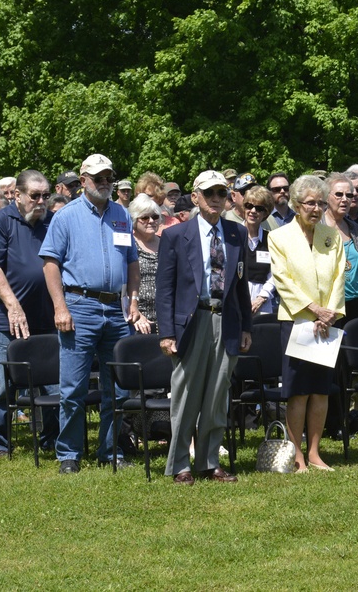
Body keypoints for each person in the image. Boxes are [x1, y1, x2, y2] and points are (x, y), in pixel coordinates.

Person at [40, 153, 142, 474]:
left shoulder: (122, 215)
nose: (105, 183)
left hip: (115, 308)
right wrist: (60, 307)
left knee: (118, 387)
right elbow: (50, 263)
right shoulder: (66, 216)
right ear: (82, 181)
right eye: (98, 178)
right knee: (73, 388)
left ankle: (110, 450)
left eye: (109, 177)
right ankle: (68, 453)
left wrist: (134, 302)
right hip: (78, 307)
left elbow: (132, 263)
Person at [156, 170, 252, 485]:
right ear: (195, 197)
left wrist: (246, 327)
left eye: (221, 193)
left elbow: (241, 286)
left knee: (217, 395)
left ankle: (210, 462)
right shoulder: (175, 235)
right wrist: (167, 333)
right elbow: (165, 289)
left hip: (227, 320)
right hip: (191, 321)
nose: (215, 199)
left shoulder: (237, 233)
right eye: (209, 193)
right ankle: (180, 463)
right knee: (185, 395)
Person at [269, 174, 345, 472]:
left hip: (327, 323)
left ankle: (315, 452)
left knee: (321, 390)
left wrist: (329, 312)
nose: (316, 208)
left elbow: (339, 275)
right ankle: (296, 455)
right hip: (297, 321)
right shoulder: (278, 236)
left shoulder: (332, 235)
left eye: (320, 203)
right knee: (298, 391)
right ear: (296, 204)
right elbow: (282, 279)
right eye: (309, 203)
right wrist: (312, 308)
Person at [0, 169, 57, 460]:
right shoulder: (2, 221)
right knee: (2, 387)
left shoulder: (52, 221)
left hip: (47, 318)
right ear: (17, 195)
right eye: (34, 196)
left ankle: (51, 438)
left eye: (45, 196)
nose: (41, 202)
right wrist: (14, 306)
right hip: (6, 321)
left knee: (53, 384)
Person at [323, 173, 358, 320]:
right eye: (339, 194)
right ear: (326, 196)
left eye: (348, 195)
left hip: (356, 303)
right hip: (327, 305)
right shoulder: (317, 227)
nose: (344, 199)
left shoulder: (354, 228)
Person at [129, 193, 162, 333]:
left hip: (164, 318)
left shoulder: (167, 244)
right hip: (137, 319)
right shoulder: (128, 245)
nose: (151, 221)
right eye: (144, 217)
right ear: (134, 220)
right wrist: (136, 315)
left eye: (155, 216)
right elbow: (122, 286)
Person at [241, 185, 277, 314]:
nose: (253, 211)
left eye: (259, 208)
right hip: (236, 300)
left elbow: (274, 273)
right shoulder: (233, 235)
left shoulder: (272, 239)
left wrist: (262, 297)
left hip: (262, 304)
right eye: (249, 206)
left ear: (266, 213)